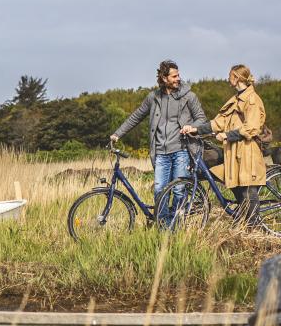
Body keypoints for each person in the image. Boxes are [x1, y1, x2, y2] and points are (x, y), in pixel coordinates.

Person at [110, 60, 209, 209]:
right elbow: (136, 116)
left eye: (178, 75)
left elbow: (201, 118)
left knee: (179, 190)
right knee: (159, 191)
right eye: (174, 76)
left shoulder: (189, 96)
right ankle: (163, 224)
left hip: (181, 150)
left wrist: (191, 126)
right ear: (164, 78)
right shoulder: (153, 98)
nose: (178, 79)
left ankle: (176, 224)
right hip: (160, 152)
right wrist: (118, 134)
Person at [181, 64, 266, 225]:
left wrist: (227, 135)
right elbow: (218, 123)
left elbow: (252, 128)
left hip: (247, 151)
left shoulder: (252, 99)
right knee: (237, 186)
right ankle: (244, 222)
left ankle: (255, 227)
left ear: (237, 77)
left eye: (230, 75)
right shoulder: (235, 100)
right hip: (234, 152)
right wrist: (195, 129)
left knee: (248, 190)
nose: (228, 78)